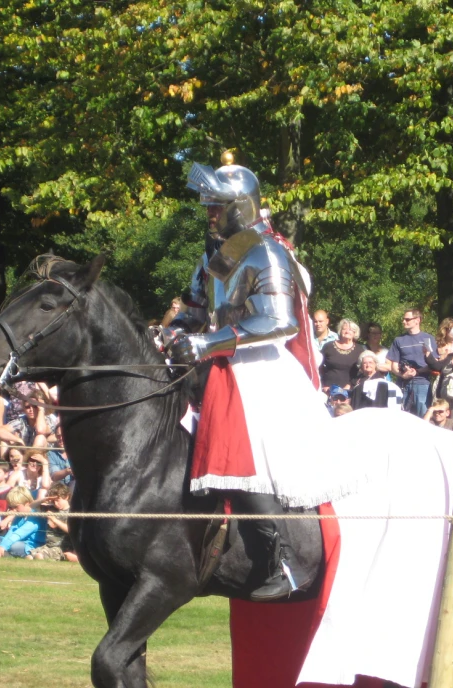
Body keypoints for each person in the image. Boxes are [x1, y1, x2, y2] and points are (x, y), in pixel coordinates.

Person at [164, 156, 343, 601]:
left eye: (216, 206)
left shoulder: (268, 252)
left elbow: (280, 321)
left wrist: (207, 344)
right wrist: (178, 330)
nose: (209, 214)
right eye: (207, 206)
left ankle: (282, 559)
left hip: (259, 369)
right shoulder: (222, 253)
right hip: (221, 364)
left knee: (246, 459)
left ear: (240, 205)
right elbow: (203, 309)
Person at [387, 308, 438, 418]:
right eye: (403, 319)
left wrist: (418, 371)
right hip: (403, 384)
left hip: (422, 383)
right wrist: (402, 375)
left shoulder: (428, 338)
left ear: (417, 320)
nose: (404, 321)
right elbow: (393, 365)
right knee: (401, 415)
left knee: (423, 416)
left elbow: (435, 363)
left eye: (407, 319)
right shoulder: (398, 340)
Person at [0, 486, 46, 558]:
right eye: (11, 507)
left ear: (27, 503)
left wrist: (3, 546)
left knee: (13, 546)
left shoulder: (35, 517)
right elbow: (11, 531)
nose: (14, 510)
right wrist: (2, 545)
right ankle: (5, 554)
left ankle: (4, 554)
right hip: (18, 541)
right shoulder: (19, 516)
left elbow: (19, 534)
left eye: (16, 507)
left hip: (31, 545)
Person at [29, 482, 77, 562]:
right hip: (48, 546)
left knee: (39, 556)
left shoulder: (72, 512)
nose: (55, 504)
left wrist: (54, 520)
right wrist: (45, 499)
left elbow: (71, 530)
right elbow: (31, 506)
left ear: (67, 497)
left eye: (58, 500)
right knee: (29, 557)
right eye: (53, 501)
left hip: (62, 547)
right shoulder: (51, 509)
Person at [319, 319, 365, 391]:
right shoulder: (328, 346)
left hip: (350, 391)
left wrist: (351, 385)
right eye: (344, 329)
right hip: (328, 389)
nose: (347, 331)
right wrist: (323, 384)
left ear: (355, 333)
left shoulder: (360, 350)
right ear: (340, 331)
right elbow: (318, 365)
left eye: (350, 330)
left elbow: (363, 371)